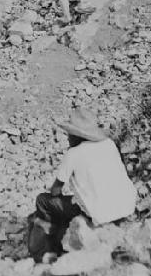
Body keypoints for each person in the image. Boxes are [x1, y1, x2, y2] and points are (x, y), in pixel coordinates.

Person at [32, 107, 137, 261]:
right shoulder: (109, 144)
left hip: (101, 213)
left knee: (43, 200)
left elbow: (55, 191)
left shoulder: (74, 153)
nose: (68, 138)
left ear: (76, 135)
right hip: (126, 206)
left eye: (69, 134)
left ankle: (48, 248)